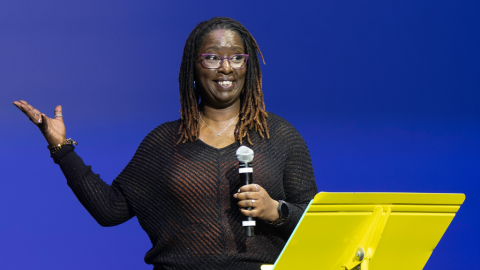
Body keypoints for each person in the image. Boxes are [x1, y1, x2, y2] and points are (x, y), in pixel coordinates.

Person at [13, 17, 318, 270]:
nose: (226, 68)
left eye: (237, 57)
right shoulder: (164, 142)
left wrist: (276, 211)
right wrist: (62, 148)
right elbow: (109, 210)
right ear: (193, 67)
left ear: (247, 66)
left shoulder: (279, 135)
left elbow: (316, 225)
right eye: (212, 57)